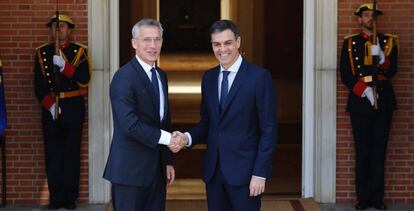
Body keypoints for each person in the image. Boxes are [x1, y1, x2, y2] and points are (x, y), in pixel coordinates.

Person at [172, 20, 277, 211]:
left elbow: (268, 130)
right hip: (214, 174)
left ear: (238, 42)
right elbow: (207, 122)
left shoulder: (259, 77)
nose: (222, 50)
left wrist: (260, 174)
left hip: (246, 174)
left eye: (227, 43)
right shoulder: (209, 78)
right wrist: (187, 138)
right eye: (216, 44)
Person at [103, 18, 184, 211]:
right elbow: (129, 125)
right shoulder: (124, 77)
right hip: (130, 173)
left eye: (157, 39)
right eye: (147, 39)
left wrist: (167, 161)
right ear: (134, 43)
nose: (153, 45)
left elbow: (163, 120)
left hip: (156, 171)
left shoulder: (161, 75)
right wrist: (168, 139)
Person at [339, 3, 399, 210]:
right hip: (360, 101)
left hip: (383, 101)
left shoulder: (388, 42)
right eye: (366, 15)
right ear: (359, 19)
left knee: (379, 151)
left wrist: (382, 58)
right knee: (362, 150)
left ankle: (377, 198)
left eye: (373, 15)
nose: (369, 18)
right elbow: (345, 73)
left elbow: (392, 72)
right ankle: (362, 198)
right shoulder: (349, 43)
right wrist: (364, 90)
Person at [34, 14, 91, 210]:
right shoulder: (42, 53)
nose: (59, 30)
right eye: (55, 27)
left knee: (71, 154)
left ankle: (70, 199)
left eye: (63, 26)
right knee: (53, 154)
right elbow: (38, 86)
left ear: (70, 30)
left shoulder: (79, 52)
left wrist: (65, 67)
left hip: (73, 107)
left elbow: (85, 78)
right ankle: (55, 198)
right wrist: (50, 105)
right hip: (51, 109)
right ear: (50, 30)